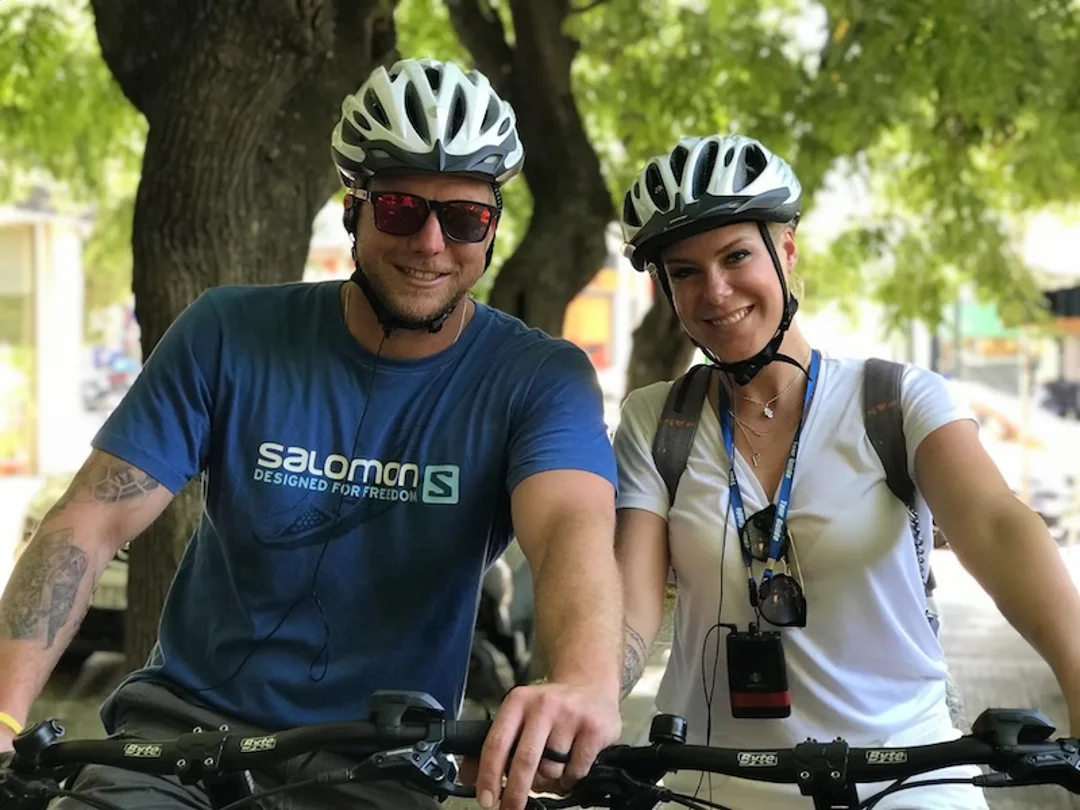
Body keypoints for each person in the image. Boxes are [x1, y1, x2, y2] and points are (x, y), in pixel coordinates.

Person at [0, 58, 623, 810]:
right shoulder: (228, 331)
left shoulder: (540, 377)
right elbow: (90, 522)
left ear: (491, 227)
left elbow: (568, 536)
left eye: (464, 218)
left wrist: (582, 683)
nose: (431, 243)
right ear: (351, 210)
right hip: (178, 741)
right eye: (398, 208)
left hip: (380, 760)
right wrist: (3, 713)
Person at [612, 132, 1080, 809]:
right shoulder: (657, 421)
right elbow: (628, 604)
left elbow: (1000, 528)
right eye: (684, 272)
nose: (714, 291)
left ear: (788, 251)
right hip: (708, 784)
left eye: (737, 256)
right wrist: (581, 700)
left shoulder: (896, 400)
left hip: (907, 782)